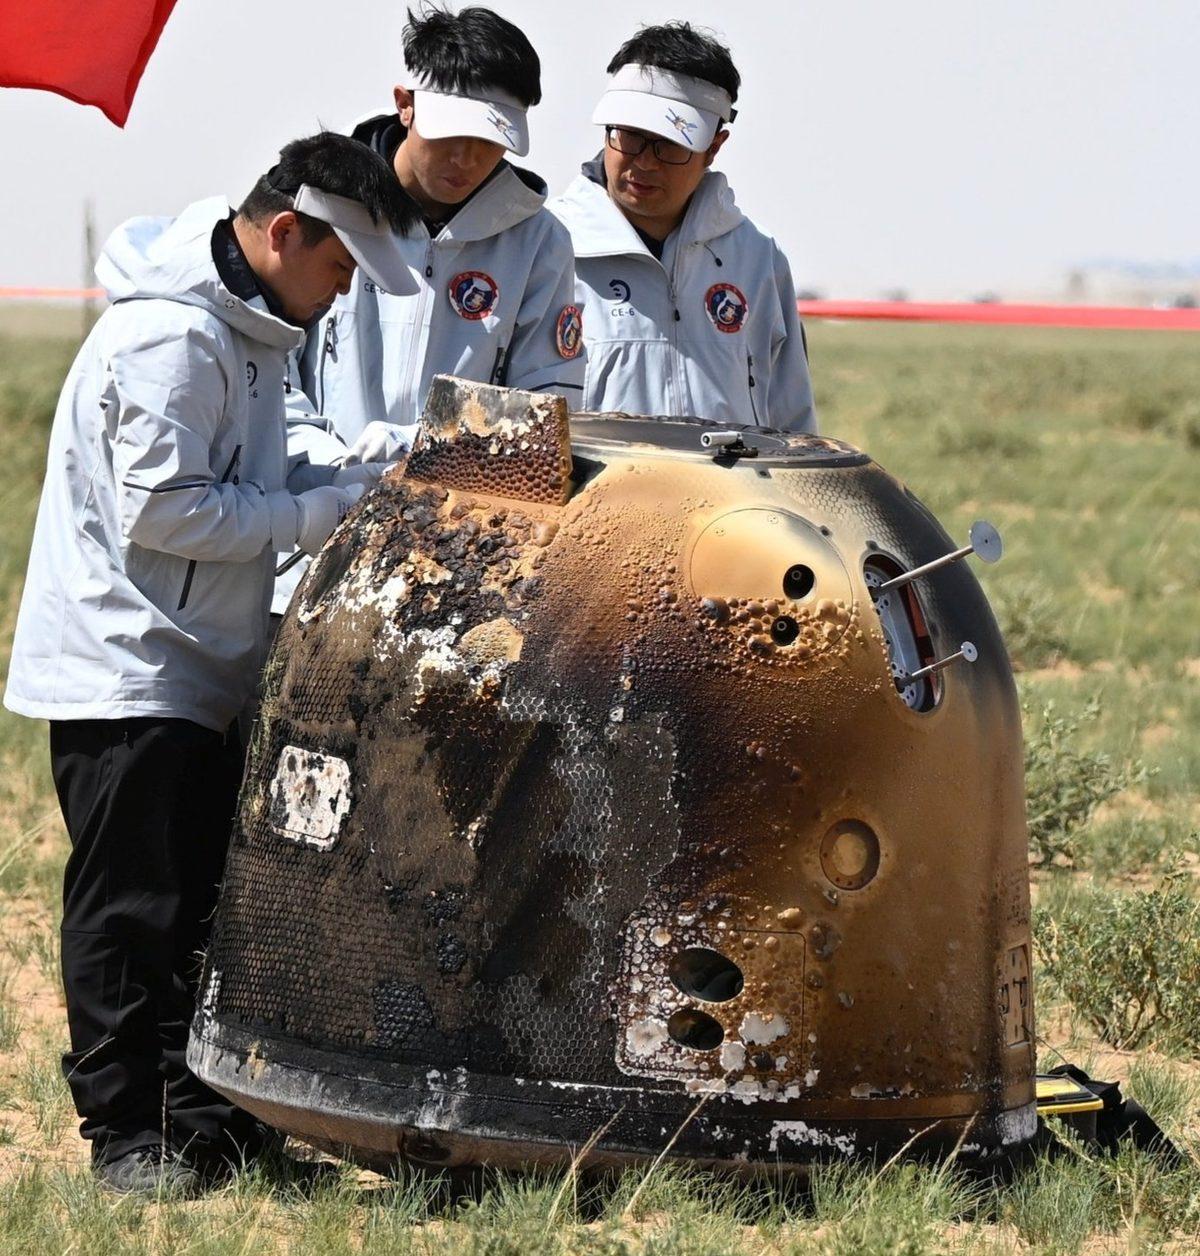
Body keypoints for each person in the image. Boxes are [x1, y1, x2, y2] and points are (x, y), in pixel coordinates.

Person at [3, 133, 417, 1195]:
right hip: (129, 664)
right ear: (283, 234)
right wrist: (309, 515)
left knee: (204, 904)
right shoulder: (170, 341)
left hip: (200, 664)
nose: (338, 298)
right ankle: (124, 1136)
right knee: (132, 908)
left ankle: (209, 1131)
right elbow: (164, 509)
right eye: (337, 272)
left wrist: (371, 459)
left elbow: (268, 465)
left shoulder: (252, 330)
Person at [276, 5, 583, 615]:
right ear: (406, 103)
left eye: (490, 141)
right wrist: (331, 467)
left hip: (459, 563)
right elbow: (266, 375)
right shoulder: (318, 203)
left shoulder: (539, 242)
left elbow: (548, 410)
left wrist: (429, 447)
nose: (466, 160)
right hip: (304, 544)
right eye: (451, 135)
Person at [549, 22, 817, 432]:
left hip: (731, 496)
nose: (645, 162)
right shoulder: (548, 248)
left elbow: (793, 419)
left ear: (713, 147)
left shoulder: (757, 258)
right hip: (594, 497)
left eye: (669, 144)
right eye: (630, 136)